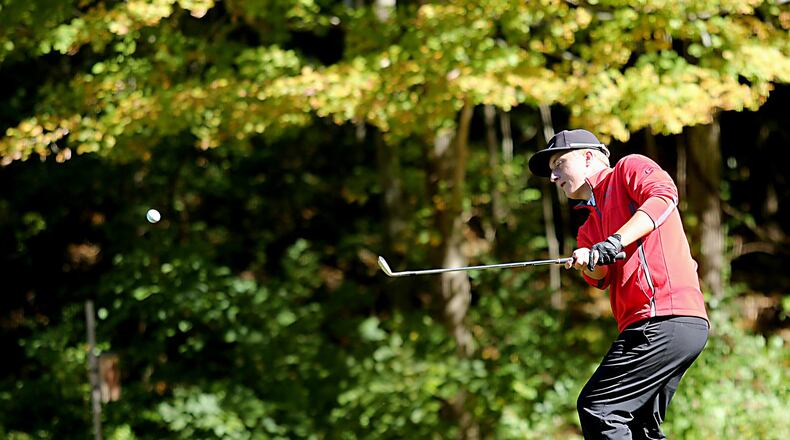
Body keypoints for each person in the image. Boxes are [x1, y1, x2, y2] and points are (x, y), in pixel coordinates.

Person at [528, 129, 709, 439]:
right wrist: (591, 260)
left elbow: (664, 198)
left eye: (559, 164)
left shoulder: (628, 169)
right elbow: (599, 279)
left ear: (588, 157)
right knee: (637, 427)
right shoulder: (587, 227)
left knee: (599, 407)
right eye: (551, 171)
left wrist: (614, 241)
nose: (554, 177)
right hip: (655, 326)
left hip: (666, 317)